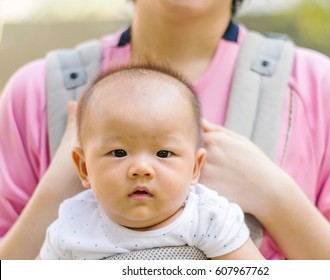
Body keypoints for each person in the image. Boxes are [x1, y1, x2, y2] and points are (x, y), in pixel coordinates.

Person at [1, 0, 330, 260]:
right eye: (119, 152)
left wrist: (277, 198)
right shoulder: (40, 92)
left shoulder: (314, 86)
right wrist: (55, 192)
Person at [37, 63, 263, 260]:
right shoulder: (72, 225)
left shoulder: (208, 218)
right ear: (84, 168)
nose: (141, 169)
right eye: (118, 152)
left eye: (163, 154)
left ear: (194, 168)